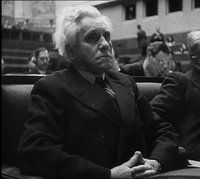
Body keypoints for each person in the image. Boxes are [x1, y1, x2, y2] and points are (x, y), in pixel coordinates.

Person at [17, 5, 183, 179]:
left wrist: (156, 162)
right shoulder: (51, 88)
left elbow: (162, 130)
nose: (105, 44)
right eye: (92, 38)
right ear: (71, 51)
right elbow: (35, 151)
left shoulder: (125, 82)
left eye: (106, 36)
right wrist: (107, 175)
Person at [150, 28, 200, 161]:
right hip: (199, 160)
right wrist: (172, 148)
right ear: (195, 61)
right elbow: (152, 116)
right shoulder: (181, 82)